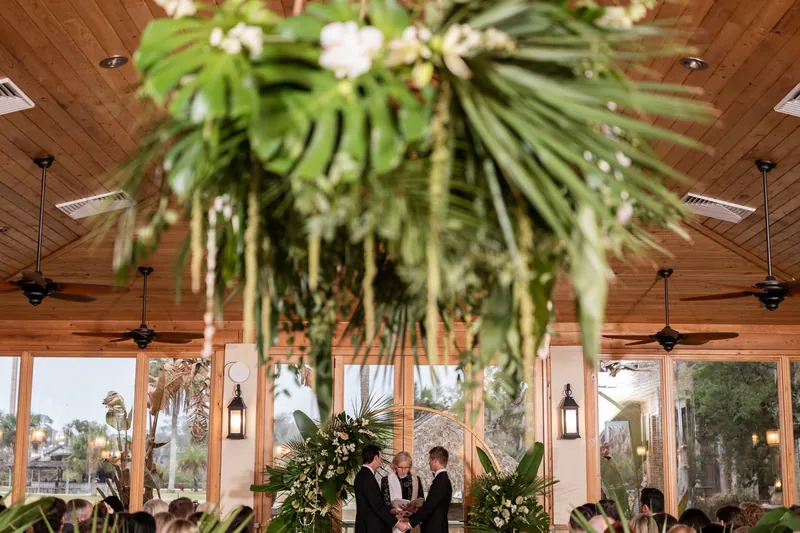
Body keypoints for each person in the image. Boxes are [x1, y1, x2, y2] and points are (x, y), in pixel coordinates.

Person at [354, 444, 408, 533]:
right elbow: (377, 506)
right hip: (370, 528)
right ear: (375, 457)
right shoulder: (368, 478)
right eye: (380, 457)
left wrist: (392, 511)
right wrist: (397, 523)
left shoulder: (362, 475)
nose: (380, 461)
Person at [407, 447, 453, 533]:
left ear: (435, 460)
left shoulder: (440, 481)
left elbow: (429, 508)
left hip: (435, 528)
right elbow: (433, 504)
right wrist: (414, 511)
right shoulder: (442, 479)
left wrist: (409, 524)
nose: (429, 462)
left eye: (430, 459)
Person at [382, 451, 425, 533]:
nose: (403, 470)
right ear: (395, 465)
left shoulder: (416, 480)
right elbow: (384, 504)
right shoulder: (386, 480)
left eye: (406, 467)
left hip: (412, 521)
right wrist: (395, 510)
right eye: (400, 467)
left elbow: (421, 501)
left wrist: (414, 508)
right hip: (394, 522)